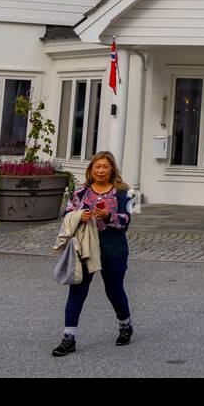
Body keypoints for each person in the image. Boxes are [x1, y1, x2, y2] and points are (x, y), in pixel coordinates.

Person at [52, 151, 134, 356]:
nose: (101, 170)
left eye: (105, 166)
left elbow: (126, 221)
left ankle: (125, 324)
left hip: (113, 249)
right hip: (84, 248)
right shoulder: (80, 191)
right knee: (77, 291)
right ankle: (68, 338)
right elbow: (67, 214)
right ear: (91, 169)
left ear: (112, 169)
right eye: (97, 166)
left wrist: (107, 215)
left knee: (114, 290)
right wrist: (80, 216)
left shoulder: (125, 191)